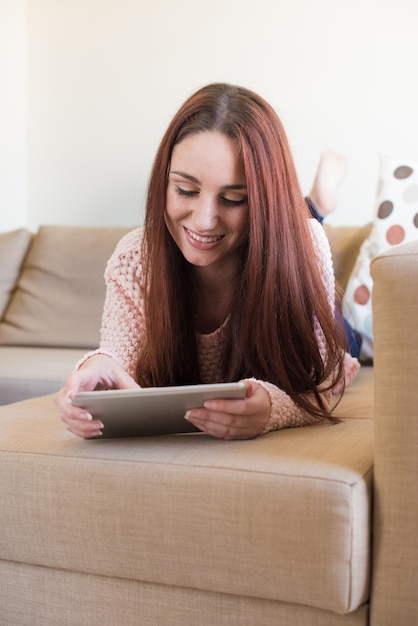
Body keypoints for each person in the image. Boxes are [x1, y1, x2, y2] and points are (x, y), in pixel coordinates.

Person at [55, 82, 360, 440]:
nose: (203, 221)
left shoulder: (305, 245)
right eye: (185, 190)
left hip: (322, 311)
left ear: (261, 201)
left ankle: (317, 205)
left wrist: (273, 409)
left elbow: (320, 381)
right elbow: (118, 355)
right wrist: (97, 368)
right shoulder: (134, 257)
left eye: (233, 199)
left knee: (344, 352)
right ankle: (313, 204)